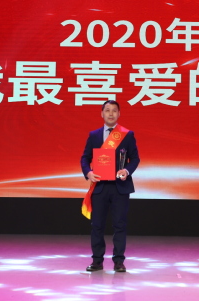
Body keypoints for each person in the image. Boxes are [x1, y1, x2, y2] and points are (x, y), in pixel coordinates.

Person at [80, 100, 140, 272]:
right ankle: (97, 261)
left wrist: (126, 171)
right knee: (97, 225)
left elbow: (135, 158)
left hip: (120, 186)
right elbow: (85, 158)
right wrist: (88, 173)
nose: (111, 113)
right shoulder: (94, 135)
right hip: (99, 186)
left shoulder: (127, 135)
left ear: (119, 114)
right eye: (107, 110)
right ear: (102, 114)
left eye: (114, 110)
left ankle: (119, 261)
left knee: (119, 225)